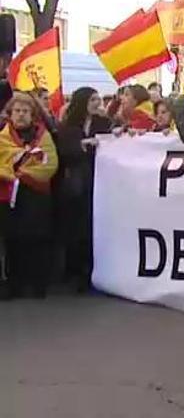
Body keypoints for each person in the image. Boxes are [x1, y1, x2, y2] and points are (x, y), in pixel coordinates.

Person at [0, 92, 59, 299]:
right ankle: (14, 284)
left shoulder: (43, 136)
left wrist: (23, 173)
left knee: (36, 240)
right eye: (17, 111)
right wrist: (11, 173)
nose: (21, 115)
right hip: (10, 197)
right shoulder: (3, 136)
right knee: (13, 241)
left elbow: (50, 164)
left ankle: (37, 285)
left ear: (32, 114)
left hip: (36, 195)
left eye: (25, 111)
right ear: (10, 113)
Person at [56, 87, 112, 292]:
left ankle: (91, 271)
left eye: (98, 98)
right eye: (92, 99)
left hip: (99, 182)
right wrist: (83, 144)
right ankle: (75, 271)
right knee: (76, 228)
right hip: (76, 185)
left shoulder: (104, 123)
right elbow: (64, 150)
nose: (97, 103)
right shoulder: (69, 125)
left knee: (93, 227)